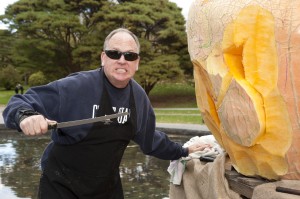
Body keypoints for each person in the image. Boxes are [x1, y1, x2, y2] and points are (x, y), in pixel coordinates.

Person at [2, 28, 210, 199]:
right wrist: (26, 116)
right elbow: (20, 101)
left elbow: (150, 140)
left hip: (106, 188)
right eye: (114, 53)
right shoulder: (77, 86)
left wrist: (183, 151)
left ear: (137, 62)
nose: (122, 60)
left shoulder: (138, 98)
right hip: (61, 185)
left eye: (130, 55)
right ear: (103, 57)